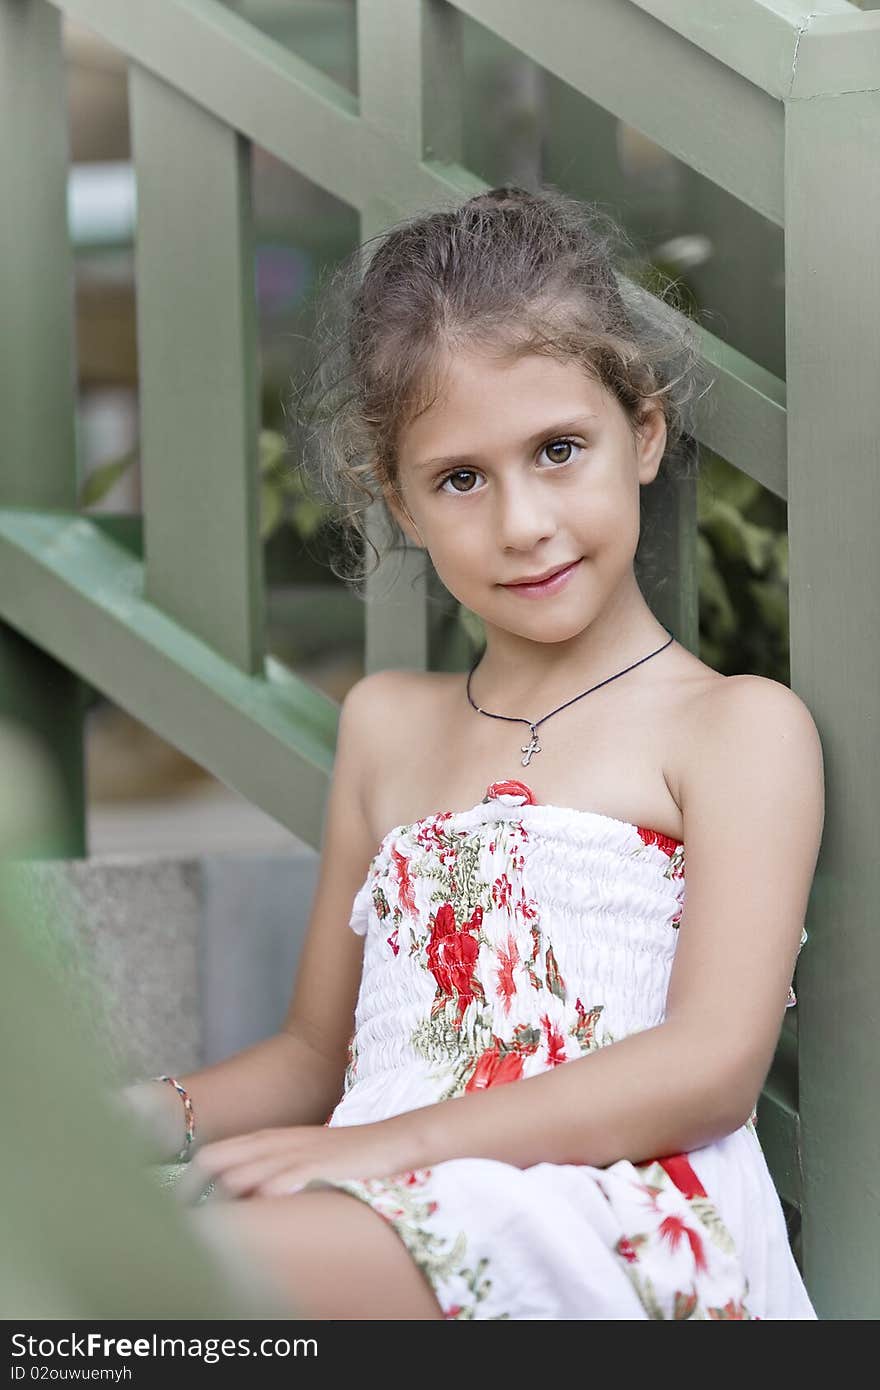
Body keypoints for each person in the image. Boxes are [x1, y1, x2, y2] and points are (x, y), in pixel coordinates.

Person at [121, 185, 825, 1320]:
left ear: (642, 432)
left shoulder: (734, 727)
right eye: (460, 478)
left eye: (558, 449)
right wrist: (124, 1119)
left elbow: (709, 1065)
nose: (522, 523)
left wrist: (394, 1147)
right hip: (378, 1190)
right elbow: (313, 1055)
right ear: (389, 495)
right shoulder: (388, 724)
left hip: (604, 1204)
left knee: (184, 1281)